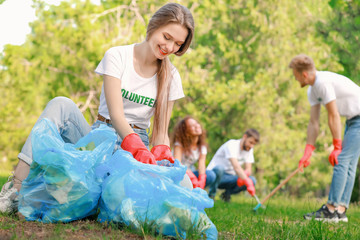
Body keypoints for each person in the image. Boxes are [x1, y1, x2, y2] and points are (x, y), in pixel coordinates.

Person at [0, 3, 195, 213]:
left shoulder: (172, 77)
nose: (170, 47)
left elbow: (160, 132)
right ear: (153, 26)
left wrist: (162, 153)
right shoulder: (117, 56)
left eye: (178, 44)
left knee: (185, 184)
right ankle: (16, 189)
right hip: (102, 137)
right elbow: (116, 114)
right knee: (60, 104)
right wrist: (135, 146)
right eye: (167, 37)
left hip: (137, 151)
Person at [289, 54, 360, 222]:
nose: (295, 78)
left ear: (303, 74)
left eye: (295, 75)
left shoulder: (322, 82)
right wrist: (308, 150)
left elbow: (333, 115)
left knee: (342, 160)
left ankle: (330, 210)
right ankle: (340, 212)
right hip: (353, 119)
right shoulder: (312, 89)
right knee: (348, 164)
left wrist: (337, 146)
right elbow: (314, 122)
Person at [206, 129, 260, 202]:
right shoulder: (231, 145)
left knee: (252, 180)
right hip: (216, 176)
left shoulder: (249, 150)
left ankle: (226, 195)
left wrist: (244, 178)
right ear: (245, 137)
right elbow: (236, 167)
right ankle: (211, 195)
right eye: (250, 142)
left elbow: (248, 169)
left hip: (230, 178)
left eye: (254, 144)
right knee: (220, 169)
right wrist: (246, 180)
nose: (251, 146)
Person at [172, 116, 218, 195]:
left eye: (197, 123)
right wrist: (191, 177)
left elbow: (201, 164)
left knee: (210, 175)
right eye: (192, 126)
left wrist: (201, 179)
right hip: (179, 174)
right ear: (185, 132)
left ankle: (195, 193)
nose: (197, 126)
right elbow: (177, 163)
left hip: (191, 173)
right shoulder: (179, 144)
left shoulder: (202, 147)